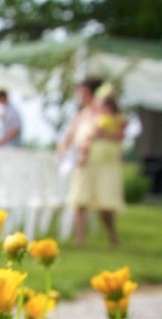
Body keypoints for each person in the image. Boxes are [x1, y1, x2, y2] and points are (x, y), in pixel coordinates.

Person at [59, 78, 125, 246]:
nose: (80, 96)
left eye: (83, 92)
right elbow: (71, 135)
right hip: (83, 161)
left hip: (104, 162)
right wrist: (63, 148)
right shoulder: (82, 115)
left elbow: (119, 134)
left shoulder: (107, 113)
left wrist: (101, 135)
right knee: (80, 201)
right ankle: (80, 241)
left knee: (106, 205)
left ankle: (113, 237)